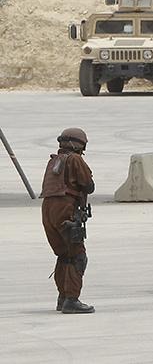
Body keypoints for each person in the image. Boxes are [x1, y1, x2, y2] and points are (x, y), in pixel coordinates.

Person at [40, 128, 95, 313]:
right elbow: (88, 185)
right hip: (65, 208)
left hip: (48, 210)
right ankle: (72, 300)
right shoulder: (75, 159)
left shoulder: (53, 160)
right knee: (77, 255)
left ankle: (63, 298)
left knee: (63, 254)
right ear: (80, 145)